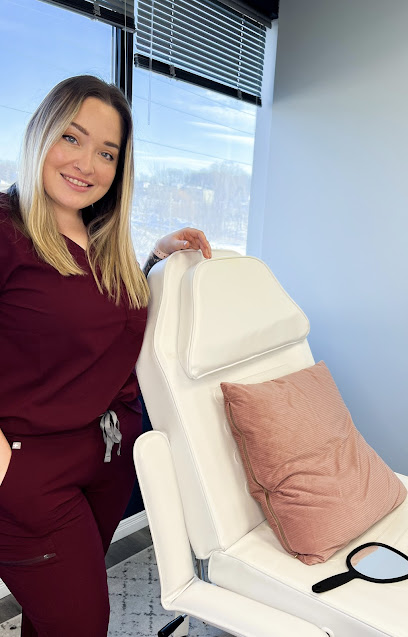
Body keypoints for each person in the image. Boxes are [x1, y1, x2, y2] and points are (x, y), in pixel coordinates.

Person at [0, 75, 211, 637]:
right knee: (82, 624)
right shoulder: (6, 229)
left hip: (109, 459)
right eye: (71, 138)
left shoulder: (98, 234)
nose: (86, 163)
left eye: (107, 153)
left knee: (51, 619)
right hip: (33, 472)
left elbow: (89, 322)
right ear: (40, 133)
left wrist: (151, 264)